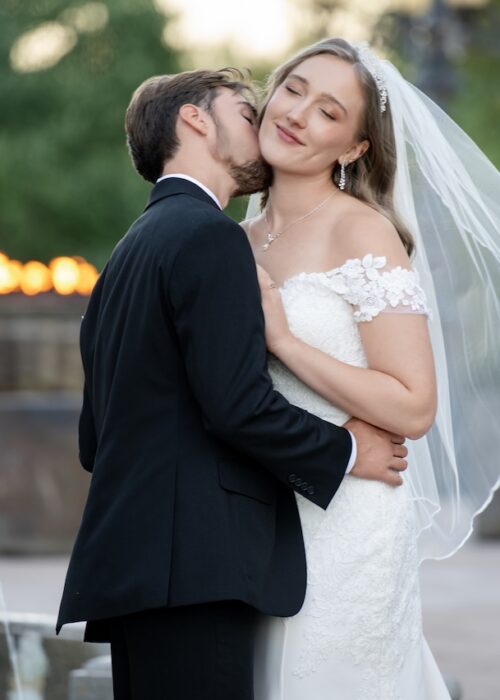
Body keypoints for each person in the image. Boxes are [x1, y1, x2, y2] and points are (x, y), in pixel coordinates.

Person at [56, 68, 408, 700]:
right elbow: (236, 407)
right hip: (197, 567)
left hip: (134, 570)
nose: (266, 123)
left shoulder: (127, 254)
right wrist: (350, 449)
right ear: (195, 119)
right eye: (245, 115)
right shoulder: (212, 237)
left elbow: (93, 437)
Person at [243, 37, 491, 700]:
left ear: (354, 148)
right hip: (261, 508)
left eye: (328, 112)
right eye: (294, 88)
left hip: (349, 518)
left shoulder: (363, 232)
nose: (296, 113)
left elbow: (412, 405)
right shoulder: (237, 239)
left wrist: (287, 342)